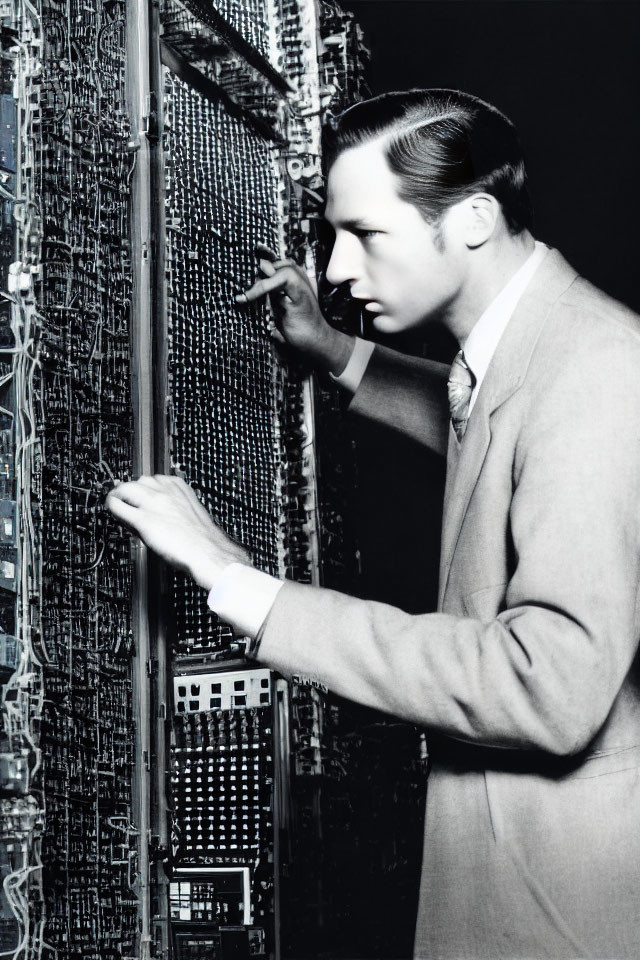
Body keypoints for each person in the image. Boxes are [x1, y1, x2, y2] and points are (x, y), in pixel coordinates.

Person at [107, 89, 640, 959]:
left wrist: (240, 581)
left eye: (367, 235)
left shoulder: (600, 370)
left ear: (471, 221)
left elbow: (550, 686)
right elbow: (487, 418)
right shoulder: (538, 348)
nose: (338, 271)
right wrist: (337, 352)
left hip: (559, 911)